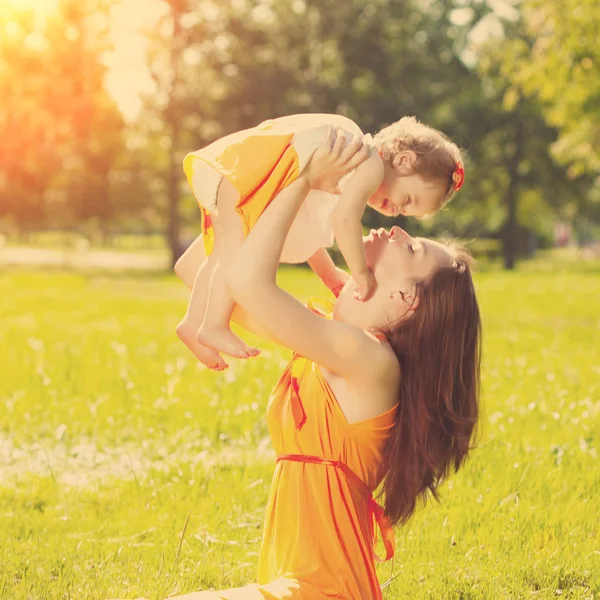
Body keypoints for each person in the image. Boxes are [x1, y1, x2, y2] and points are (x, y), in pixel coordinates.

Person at [162, 134, 481, 599]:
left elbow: (248, 283)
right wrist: (249, 190)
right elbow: (198, 273)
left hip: (322, 590)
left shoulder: (371, 362)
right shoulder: (335, 342)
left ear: (407, 300)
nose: (398, 230)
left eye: (413, 249)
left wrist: (301, 176)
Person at [175, 114, 465, 371]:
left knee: (223, 253)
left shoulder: (344, 159)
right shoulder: (368, 163)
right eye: (406, 200)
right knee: (229, 253)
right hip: (252, 175)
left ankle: (192, 322)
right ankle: (213, 324)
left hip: (242, 171)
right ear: (404, 161)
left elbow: (309, 222)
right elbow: (343, 221)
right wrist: (361, 272)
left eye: (403, 211)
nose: (393, 212)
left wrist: (327, 273)